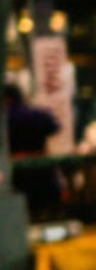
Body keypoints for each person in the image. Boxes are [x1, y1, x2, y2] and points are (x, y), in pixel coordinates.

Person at [5, 83, 65, 211]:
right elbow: (55, 127)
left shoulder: (5, 118)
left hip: (17, 172)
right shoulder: (38, 114)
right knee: (45, 206)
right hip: (42, 168)